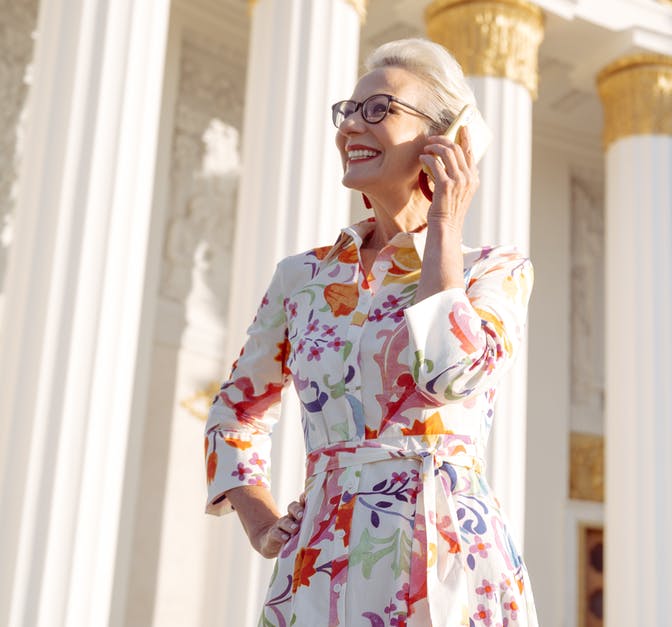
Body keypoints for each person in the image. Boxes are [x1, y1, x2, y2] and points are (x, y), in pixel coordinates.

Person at [203, 38, 537, 627]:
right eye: (348, 110)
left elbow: (449, 371)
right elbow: (237, 412)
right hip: (321, 558)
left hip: (449, 558)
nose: (352, 124)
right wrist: (258, 520)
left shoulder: (496, 271)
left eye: (379, 109)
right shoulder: (301, 278)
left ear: (446, 138)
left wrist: (444, 225)